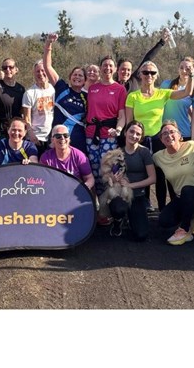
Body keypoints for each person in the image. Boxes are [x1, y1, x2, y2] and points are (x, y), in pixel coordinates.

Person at [126, 60, 194, 211]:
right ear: (140, 75)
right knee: (142, 172)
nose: (149, 75)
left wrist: (191, 76)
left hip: (158, 139)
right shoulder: (133, 96)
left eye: (152, 73)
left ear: (156, 75)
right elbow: (130, 122)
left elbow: (186, 92)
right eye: (145, 72)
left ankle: (164, 208)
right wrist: (131, 141)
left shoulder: (162, 93)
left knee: (161, 174)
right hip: (140, 139)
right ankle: (145, 204)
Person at [153, 120, 194, 246]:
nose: (168, 135)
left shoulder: (193, 146)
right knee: (164, 221)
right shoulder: (158, 157)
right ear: (161, 140)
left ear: (180, 135)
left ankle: (184, 230)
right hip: (183, 198)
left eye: (172, 132)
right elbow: (143, 166)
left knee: (187, 190)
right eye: (164, 133)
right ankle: (192, 215)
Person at [85, 56, 127, 209]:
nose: (107, 68)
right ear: (100, 68)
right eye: (104, 65)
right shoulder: (92, 88)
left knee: (109, 171)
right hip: (91, 135)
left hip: (109, 135)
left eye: (110, 66)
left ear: (115, 69)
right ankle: (99, 207)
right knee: (94, 170)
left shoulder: (120, 89)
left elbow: (122, 115)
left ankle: (113, 205)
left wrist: (118, 129)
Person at [106, 120, 156, 240]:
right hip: (121, 194)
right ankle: (118, 221)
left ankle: (130, 218)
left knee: (141, 235)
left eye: (138, 134)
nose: (134, 136)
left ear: (141, 137)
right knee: (118, 209)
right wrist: (113, 178)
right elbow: (110, 174)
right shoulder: (118, 152)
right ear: (125, 132)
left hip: (137, 195)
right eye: (131, 131)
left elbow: (152, 178)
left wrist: (131, 185)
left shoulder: (144, 152)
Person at [39, 124, 94, 191]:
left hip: (75, 192)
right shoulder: (45, 158)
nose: (62, 138)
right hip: (54, 191)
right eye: (58, 136)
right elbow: (42, 180)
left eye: (66, 135)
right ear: (52, 140)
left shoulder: (79, 156)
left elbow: (90, 178)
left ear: (69, 138)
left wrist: (84, 188)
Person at [22, 59, 55, 157]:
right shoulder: (29, 93)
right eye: (37, 71)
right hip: (36, 137)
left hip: (51, 137)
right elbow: (26, 118)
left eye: (43, 70)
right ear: (34, 74)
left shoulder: (54, 90)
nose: (40, 74)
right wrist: (31, 134)